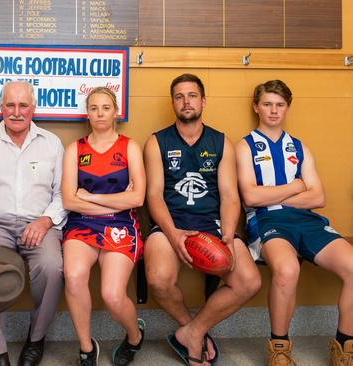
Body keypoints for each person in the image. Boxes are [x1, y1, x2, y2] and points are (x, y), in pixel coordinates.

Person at [143, 74, 261, 366]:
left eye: (192, 95)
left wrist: (229, 236)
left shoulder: (221, 142)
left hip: (214, 223)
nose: (186, 101)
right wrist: (174, 236)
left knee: (249, 281)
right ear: (173, 103)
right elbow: (154, 197)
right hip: (172, 222)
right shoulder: (157, 142)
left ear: (203, 101)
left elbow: (230, 197)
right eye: (180, 96)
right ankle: (191, 328)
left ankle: (193, 332)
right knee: (158, 280)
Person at [236, 79, 353, 366]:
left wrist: (275, 195)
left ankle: (344, 345)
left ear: (287, 108)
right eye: (267, 104)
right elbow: (250, 197)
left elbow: (318, 197)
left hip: (306, 221)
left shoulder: (299, 147)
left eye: (279, 105)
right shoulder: (244, 146)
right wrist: (297, 185)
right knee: (287, 270)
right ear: (256, 107)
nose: (273, 111)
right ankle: (279, 347)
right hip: (265, 220)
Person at [0, 80, 67, 366]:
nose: (17, 112)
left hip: (40, 224)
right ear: (1, 107)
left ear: (33, 108)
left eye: (23, 105)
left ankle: (36, 338)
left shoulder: (52, 143)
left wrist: (46, 220)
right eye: (10, 105)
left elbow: (62, 193)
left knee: (52, 267)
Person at [61, 87, 146, 366]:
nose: (100, 113)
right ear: (87, 113)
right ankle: (87, 349)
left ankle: (134, 336)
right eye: (94, 108)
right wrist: (117, 200)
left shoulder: (129, 147)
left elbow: (138, 198)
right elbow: (69, 201)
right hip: (82, 224)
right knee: (73, 276)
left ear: (116, 112)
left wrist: (91, 196)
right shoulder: (75, 148)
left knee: (111, 295)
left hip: (121, 224)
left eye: (106, 108)